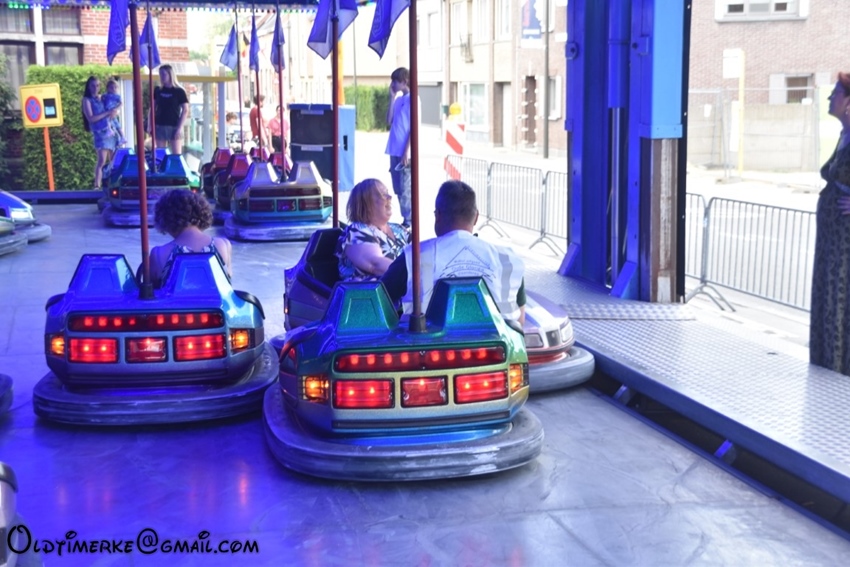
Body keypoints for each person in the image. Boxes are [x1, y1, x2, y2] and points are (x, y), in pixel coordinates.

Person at [381, 180, 526, 325]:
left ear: (438, 215)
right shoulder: (507, 260)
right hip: (498, 339)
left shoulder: (413, 257)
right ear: (476, 217)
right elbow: (519, 321)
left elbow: (379, 304)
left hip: (427, 339)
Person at [810, 72, 850, 375]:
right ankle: (826, 368)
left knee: (840, 302)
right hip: (832, 243)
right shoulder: (844, 135)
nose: (829, 97)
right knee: (828, 300)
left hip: (845, 245)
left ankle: (839, 372)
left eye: (835, 93)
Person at [149, 189, 233, 288]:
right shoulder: (223, 245)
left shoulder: (158, 254)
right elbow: (228, 287)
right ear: (202, 212)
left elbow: (151, 292)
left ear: (165, 219)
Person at [336, 179, 409, 281]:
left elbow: (420, 253)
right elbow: (376, 265)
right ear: (366, 203)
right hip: (370, 290)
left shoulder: (398, 229)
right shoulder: (357, 231)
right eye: (382, 194)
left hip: (402, 287)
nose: (389, 197)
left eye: (387, 193)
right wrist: (414, 272)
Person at [81, 75, 119, 190]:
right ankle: (97, 185)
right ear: (88, 87)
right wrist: (107, 113)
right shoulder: (87, 100)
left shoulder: (102, 97)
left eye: (97, 85)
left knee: (113, 160)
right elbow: (91, 118)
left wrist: (114, 112)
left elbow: (113, 106)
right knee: (102, 160)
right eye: (93, 86)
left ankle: (112, 184)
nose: (95, 88)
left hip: (110, 130)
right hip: (100, 133)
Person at [386, 67, 412, 227]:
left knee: (405, 189)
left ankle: (409, 221)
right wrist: (392, 97)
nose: (393, 84)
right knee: (397, 188)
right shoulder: (398, 100)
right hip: (394, 150)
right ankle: (406, 219)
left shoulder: (413, 100)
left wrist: (406, 152)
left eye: (395, 81)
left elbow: (413, 129)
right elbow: (389, 120)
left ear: (404, 81)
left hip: (404, 153)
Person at [148, 64, 189, 155]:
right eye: (160, 74)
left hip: (174, 125)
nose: (162, 77)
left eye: (164, 74)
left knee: (176, 154)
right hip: (160, 125)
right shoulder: (158, 90)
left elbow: (185, 110)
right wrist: (150, 125)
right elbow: (152, 108)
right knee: (160, 153)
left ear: (170, 75)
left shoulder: (179, 91)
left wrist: (179, 128)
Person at [102, 78, 126, 147]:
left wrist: (116, 109)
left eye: (115, 87)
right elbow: (101, 101)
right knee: (111, 122)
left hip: (112, 111)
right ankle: (112, 132)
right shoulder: (105, 95)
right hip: (107, 111)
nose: (113, 89)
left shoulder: (117, 96)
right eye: (111, 87)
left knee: (116, 124)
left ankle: (122, 136)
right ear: (107, 88)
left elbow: (121, 103)